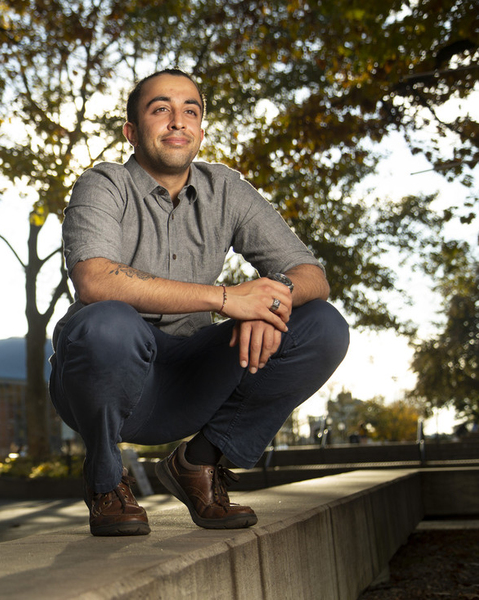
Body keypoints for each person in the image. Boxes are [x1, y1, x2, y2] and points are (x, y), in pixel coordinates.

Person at [48, 69, 350, 537]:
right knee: (106, 321)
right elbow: (94, 279)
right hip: (110, 378)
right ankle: (106, 481)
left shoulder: (226, 189)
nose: (177, 121)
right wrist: (230, 299)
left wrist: (273, 303)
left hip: (194, 378)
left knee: (322, 326)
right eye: (160, 109)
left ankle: (198, 462)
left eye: (190, 110)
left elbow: (311, 275)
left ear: (201, 131)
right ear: (131, 132)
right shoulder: (103, 184)